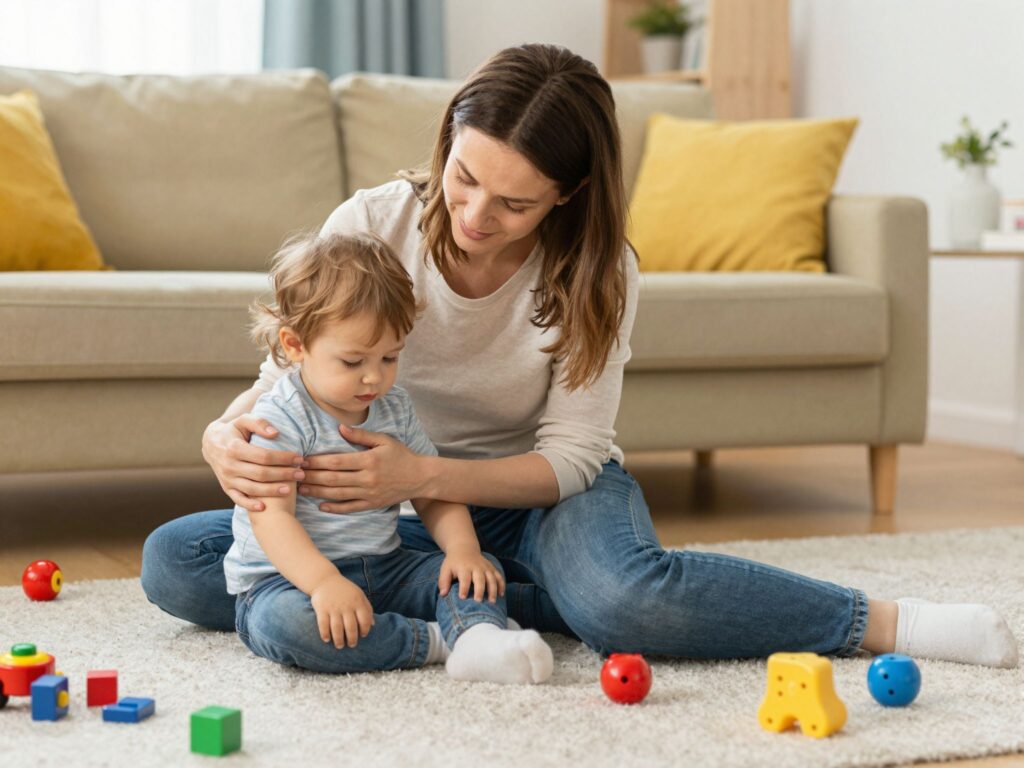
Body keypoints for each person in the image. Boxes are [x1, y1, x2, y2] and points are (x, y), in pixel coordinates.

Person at [142, 44, 1018, 670]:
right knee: (176, 563)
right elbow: (282, 384)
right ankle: (505, 603)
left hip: (531, 496)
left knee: (628, 600)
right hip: (383, 514)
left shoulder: (599, 271)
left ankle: (888, 622)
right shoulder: (372, 225)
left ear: (570, 197)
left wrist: (422, 474)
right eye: (463, 176)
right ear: (447, 142)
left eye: (516, 202)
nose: (477, 214)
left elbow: (571, 455)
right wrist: (224, 439)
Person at [221, 231, 553, 684]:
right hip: (287, 581)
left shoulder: (394, 407)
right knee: (288, 627)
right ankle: (438, 641)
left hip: (384, 565)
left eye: (390, 357)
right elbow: (271, 519)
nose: (374, 377)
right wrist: (323, 584)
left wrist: (462, 550)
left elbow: (430, 492)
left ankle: (477, 636)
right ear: (296, 345)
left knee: (479, 569)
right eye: (353, 361)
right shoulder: (279, 418)